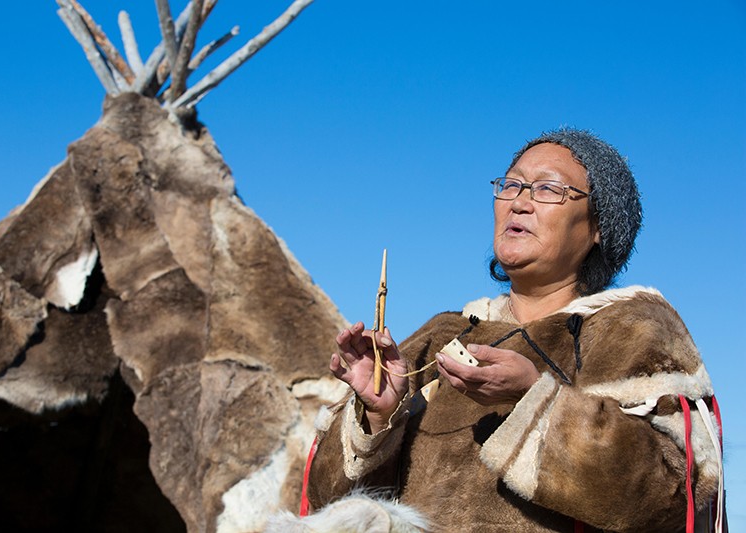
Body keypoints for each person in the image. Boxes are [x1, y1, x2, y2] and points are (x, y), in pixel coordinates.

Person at [300, 128, 724, 532]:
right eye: (512, 185)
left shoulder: (633, 329)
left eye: (547, 189)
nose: (519, 202)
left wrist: (532, 397)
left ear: (598, 227)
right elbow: (325, 504)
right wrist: (379, 415)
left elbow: (676, 494)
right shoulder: (440, 337)